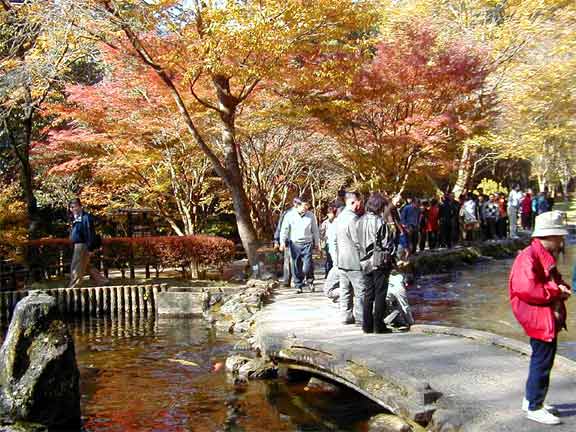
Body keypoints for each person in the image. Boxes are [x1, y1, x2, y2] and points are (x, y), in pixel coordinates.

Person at [509, 210, 571, 425]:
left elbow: (550, 280)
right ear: (550, 236)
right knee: (542, 362)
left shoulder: (540, 254)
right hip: (538, 316)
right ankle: (535, 407)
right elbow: (526, 288)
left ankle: (531, 400)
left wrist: (561, 287)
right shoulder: (529, 256)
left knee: (541, 359)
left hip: (541, 316)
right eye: (559, 236)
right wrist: (556, 291)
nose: (562, 241)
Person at [358, 193, 395, 334]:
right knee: (380, 294)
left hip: (364, 261)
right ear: (379, 206)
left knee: (368, 294)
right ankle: (378, 326)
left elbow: (356, 241)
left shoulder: (359, 221)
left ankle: (366, 325)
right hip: (379, 262)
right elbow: (386, 244)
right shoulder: (380, 222)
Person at [332, 192, 366, 324]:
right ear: (353, 202)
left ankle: (346, 316)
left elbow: (335, 240)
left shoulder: (339, 218)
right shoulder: (353, 219)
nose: (360, 204)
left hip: (342, 260)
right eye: (359, 202)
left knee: (345, 290)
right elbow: (358, 241)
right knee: (360, 290)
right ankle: (361, 317)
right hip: (354, 261)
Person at [279, 197, 320, 293]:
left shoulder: (311, 215)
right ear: (297, 205)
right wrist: (282, 242)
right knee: (296, 265)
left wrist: (317, 243)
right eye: (304, 205)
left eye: (307, 205)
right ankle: (298, 285)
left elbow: (315, 230)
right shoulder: (289, 215)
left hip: (307, 243)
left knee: (307, 266)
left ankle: (310, 281)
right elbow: (284, 229)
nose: (306, 207)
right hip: (295, 243)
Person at [68, 198, 108, 288]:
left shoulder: (86, 218)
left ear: (80, 207)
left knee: (76, 265)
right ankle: (102, 280)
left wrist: (90, 248)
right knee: (86, 265)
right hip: (78, 244)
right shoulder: (75, 218)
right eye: (71, 207)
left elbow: (90, 233)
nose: (73, 209)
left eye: (75, 207)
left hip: (82, 244)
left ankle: (74, 285)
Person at [274, 198, 299, 287]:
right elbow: (281, 227)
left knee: (296, 261)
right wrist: (277, 240)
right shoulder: (287, 214)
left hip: (300, 241)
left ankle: (296, 279)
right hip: (288, 240)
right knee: (288, 261)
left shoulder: (304, 213)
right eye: (296, 203)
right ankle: (287, 280)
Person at [320, 205, 337, 277]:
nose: (331, 215)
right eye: (329, 213)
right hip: (328, 243)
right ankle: (328, 272)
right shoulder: (325, 223)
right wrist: (322, 239)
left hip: (336, 242)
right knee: (328, 258)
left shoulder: (337, 221)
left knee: (335, 259)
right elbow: (321, 232)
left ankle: (334, 274)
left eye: (332, 213)